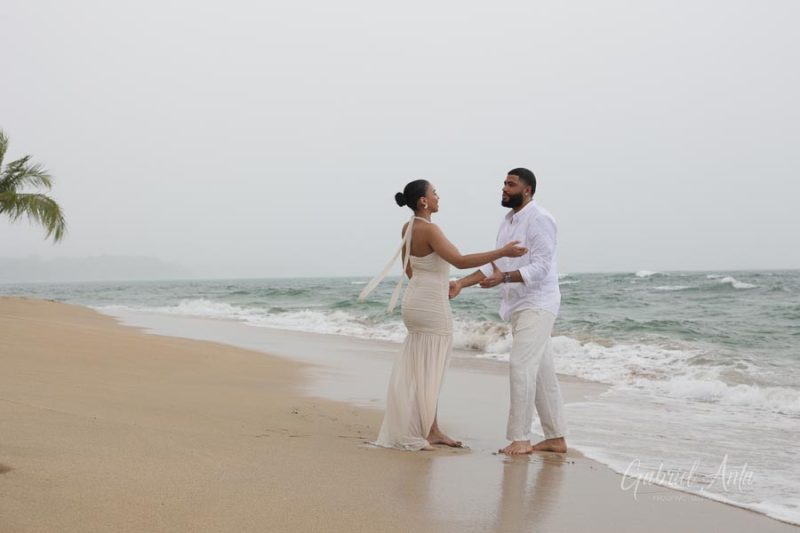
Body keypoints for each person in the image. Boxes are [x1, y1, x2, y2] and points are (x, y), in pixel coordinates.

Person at [359, 179, 527, 451]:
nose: (438, 197)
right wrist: (503, 252)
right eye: (434, 193)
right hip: (431, 306)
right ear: (423, 201)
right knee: (432, 367)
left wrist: (431, 284)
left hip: (414, 301)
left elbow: (409, 269)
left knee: (423, 367)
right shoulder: (430, 229)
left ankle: (431, 428)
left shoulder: (408, 227)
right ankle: (429, 429)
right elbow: (459, 261)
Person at [450, 168, 568, 455]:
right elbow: (495, 263)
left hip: (538, 303)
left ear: (527, 190)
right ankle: (556, 437)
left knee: (521, 366)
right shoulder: (507, 222)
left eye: (510, 184)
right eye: (503, 182)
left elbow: (540, 267)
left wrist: (504, 279)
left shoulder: (540, 219)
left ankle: (520, 438)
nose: (503, 188)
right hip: (518, 305)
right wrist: (461, 284)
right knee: (541, 372)